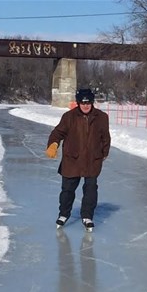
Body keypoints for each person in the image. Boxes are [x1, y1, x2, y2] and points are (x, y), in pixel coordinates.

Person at [46, 88, 111, 230]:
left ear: (92, 103)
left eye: (88, 103)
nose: (86, 105)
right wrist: (53, 144)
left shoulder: (101, 117)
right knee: (67, 190)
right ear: (78, 103)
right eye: (82, 102)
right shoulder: (69, 117)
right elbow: (57, 133)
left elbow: (105, 137)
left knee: (91, 190)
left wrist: (104, 152)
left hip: (92, 160)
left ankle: (87, 216)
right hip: (72, 159)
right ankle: (63, 214)